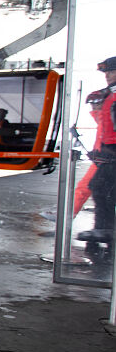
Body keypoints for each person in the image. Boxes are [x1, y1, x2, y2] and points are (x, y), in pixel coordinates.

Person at [79, 58, 116, 243]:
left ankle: (105, 230)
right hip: (108, 150)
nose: (108, 76)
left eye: (112, 72)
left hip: (112, 152)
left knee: (101, 188)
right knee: (100, 188)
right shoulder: (108, 94)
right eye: (106, 73)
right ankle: (104, 229)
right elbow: (105, 126)